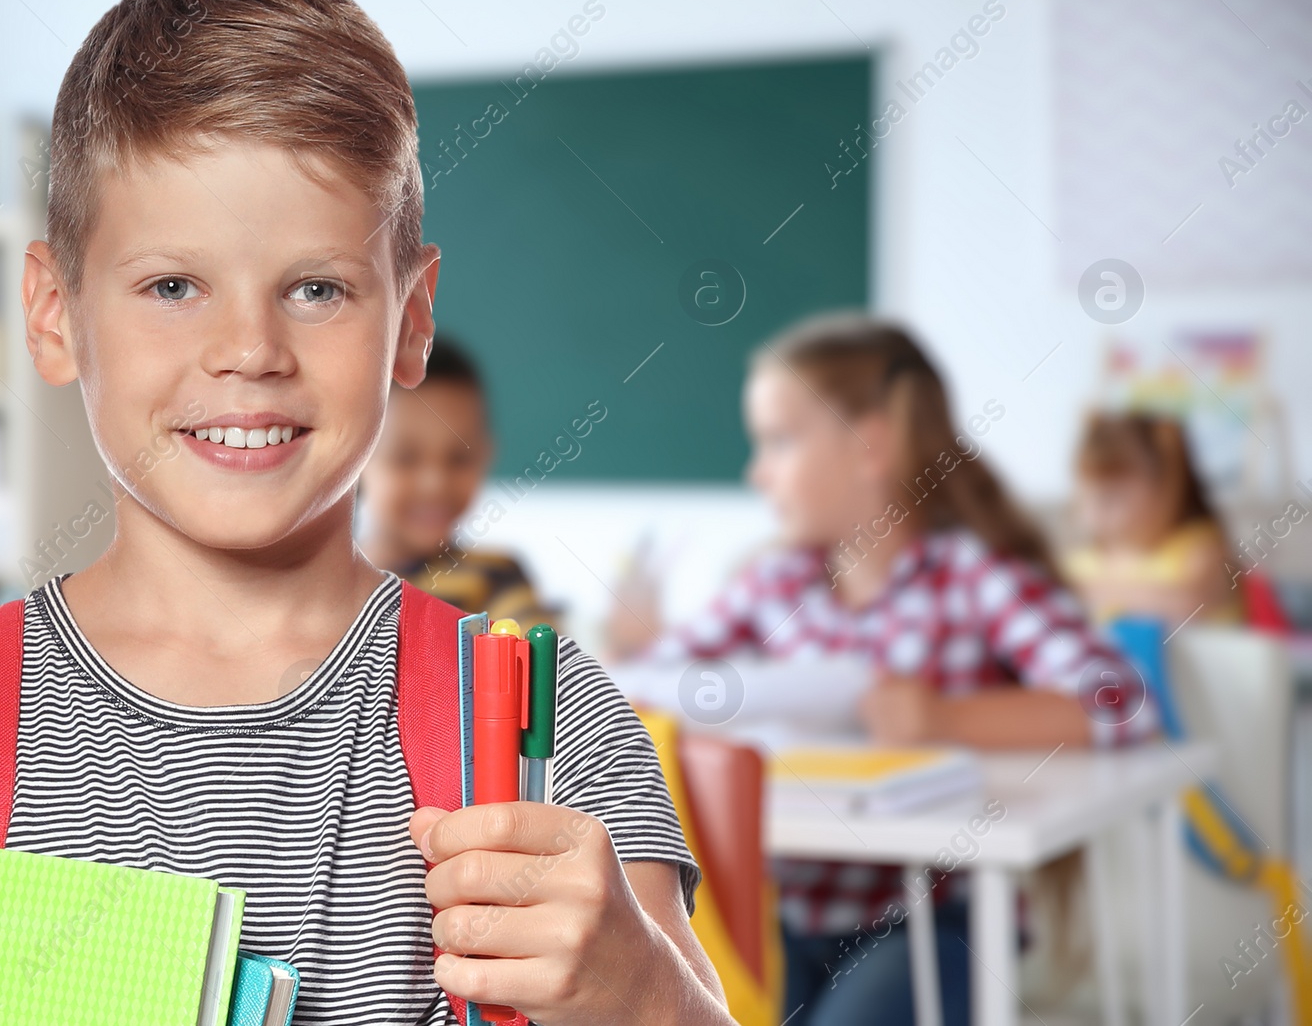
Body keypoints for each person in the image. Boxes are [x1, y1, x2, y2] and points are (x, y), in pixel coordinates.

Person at [0, 0, 732, 1024]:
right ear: (55, 312)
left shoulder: (542, 728)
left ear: (412, 316)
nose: (248, 351)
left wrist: (641, 992)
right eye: (172, 285)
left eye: (316, 288)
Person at [610, 313, 1157, 1026]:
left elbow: (1121, 703)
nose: (757, 471)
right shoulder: (775, 583)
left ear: (868, 445)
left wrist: (942, 718)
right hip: (783, 912)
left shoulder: (969, 575)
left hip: (936, 925)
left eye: (779, 440)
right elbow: (647, 678)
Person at [360, 338, 559, 627]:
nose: (435, 484)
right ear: (357, 456)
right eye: (406, 458)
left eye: (459, 458)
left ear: (485, 455)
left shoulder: (497, 581)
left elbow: (547, 667)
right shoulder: (321, 589)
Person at [1064, 411, 1243, 627]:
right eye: (1088, 492)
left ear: (1168, 484)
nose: (1098, 505)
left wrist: (1080, 590)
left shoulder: (1202, 550)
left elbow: (1190, 602)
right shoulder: (1078, 563)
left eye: (1114, 495)